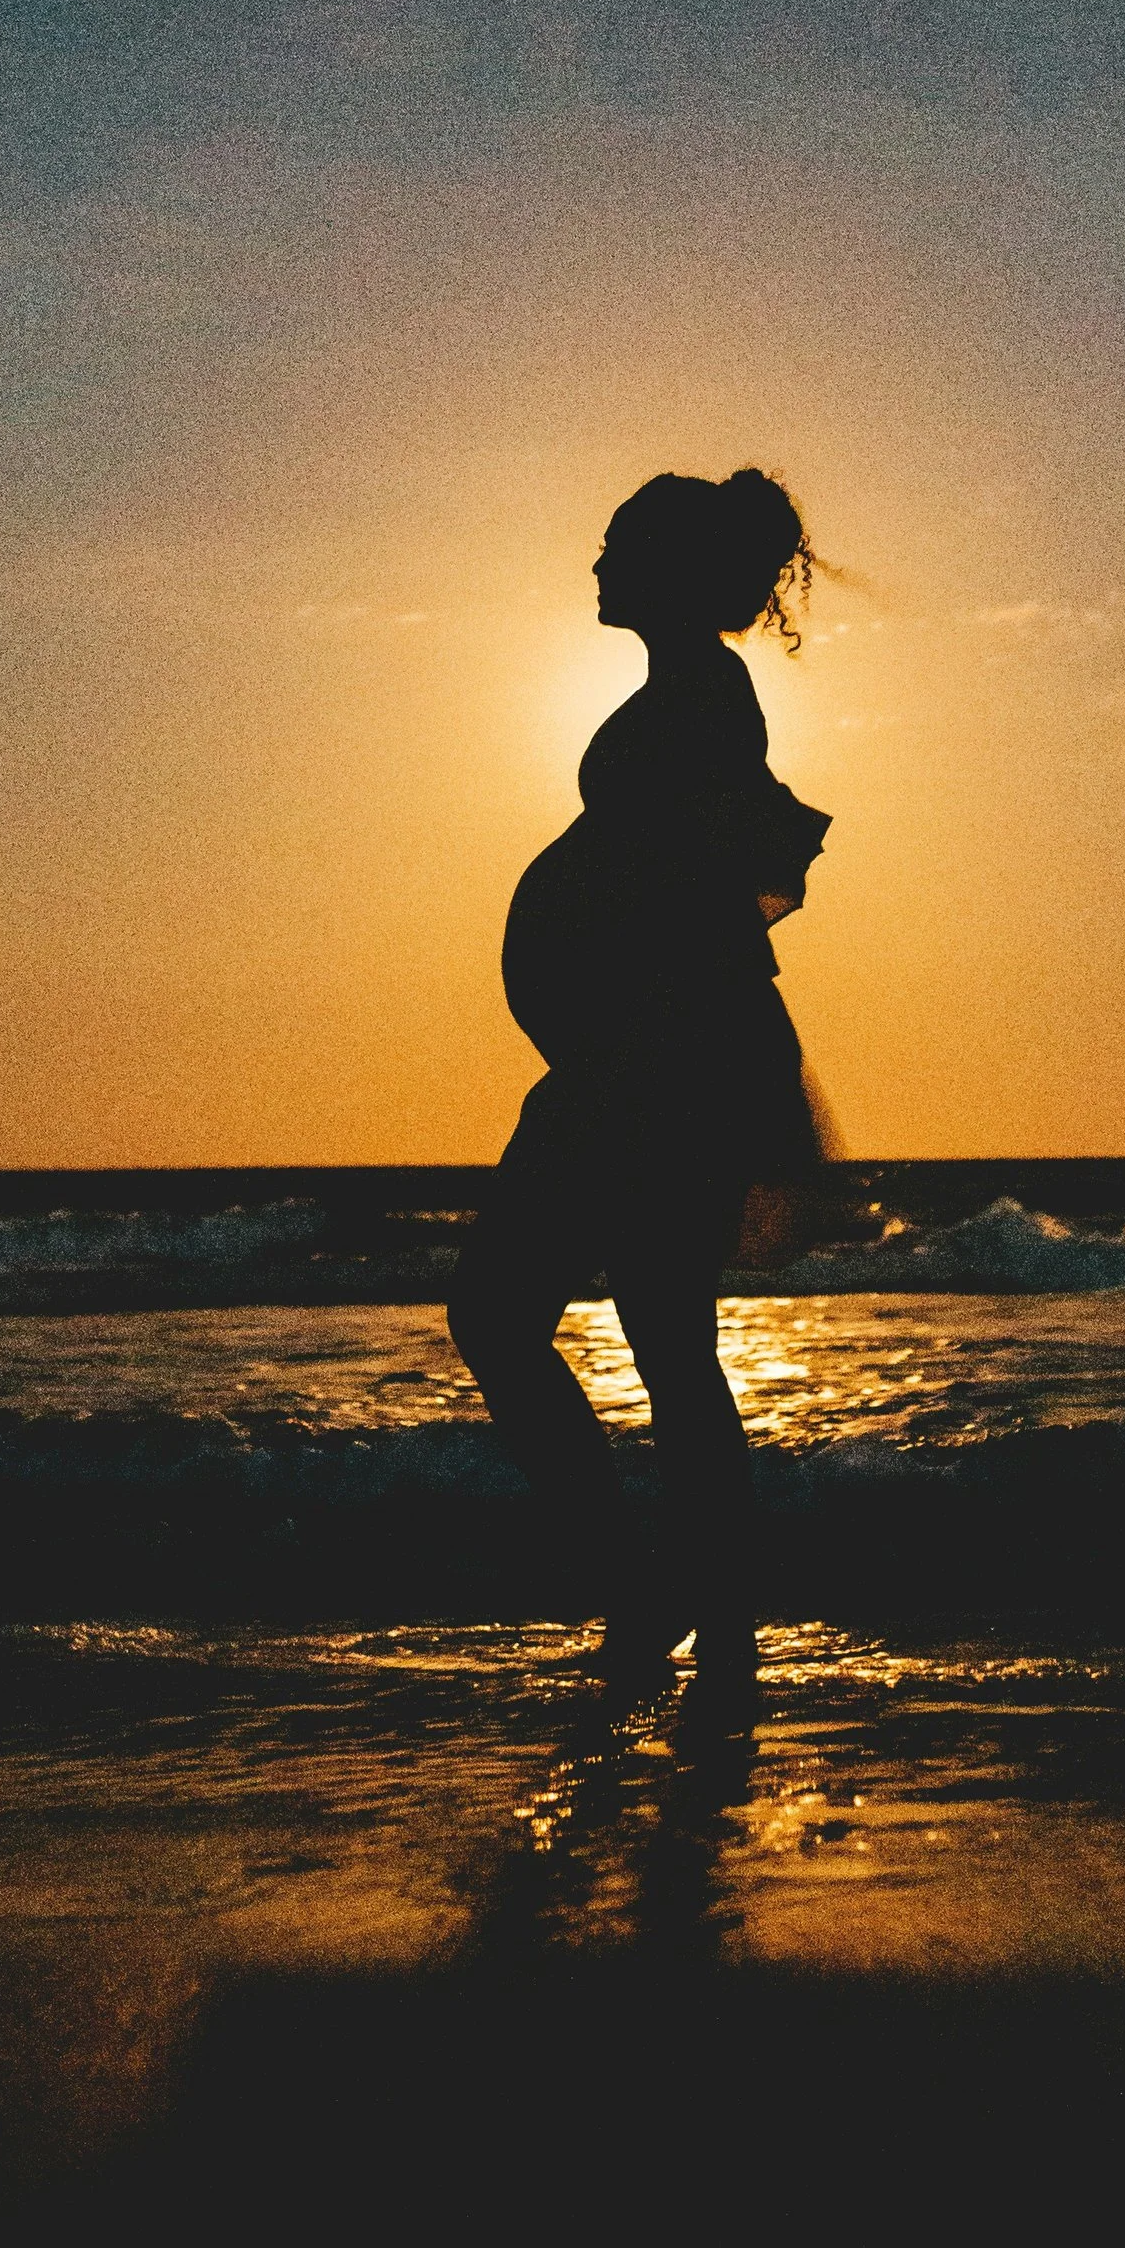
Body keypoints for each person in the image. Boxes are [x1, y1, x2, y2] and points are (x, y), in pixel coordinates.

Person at [448, 468, 833, 1689]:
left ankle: (654, 1596)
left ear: (664, 566)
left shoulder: (705, 701)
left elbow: (701, 886)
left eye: (616, 547)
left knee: (509, 1320)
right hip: (645, 1064)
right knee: (659, 1345)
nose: (598, 565)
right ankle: (698, 1617)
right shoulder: (685, 692)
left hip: (649, 1069)